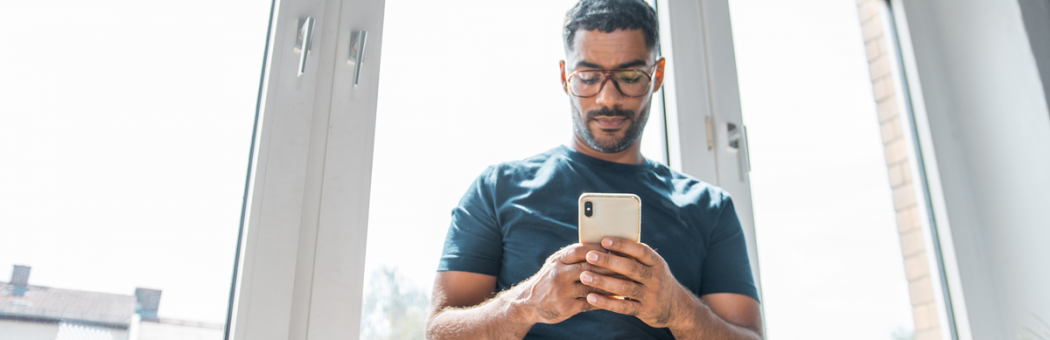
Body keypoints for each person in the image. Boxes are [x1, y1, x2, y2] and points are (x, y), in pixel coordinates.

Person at [425, 0, 763, 339]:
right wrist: (526, 305)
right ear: (564, 76)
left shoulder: (710, 209)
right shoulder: (497, 190)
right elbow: (438, 333)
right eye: (587, 77)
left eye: (630, 76)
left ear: (657, 75)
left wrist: (679, 310)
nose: (607, 99)